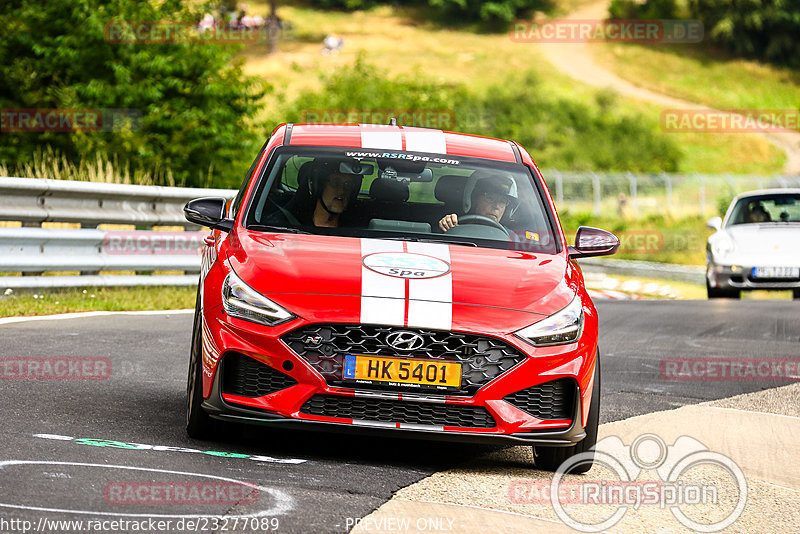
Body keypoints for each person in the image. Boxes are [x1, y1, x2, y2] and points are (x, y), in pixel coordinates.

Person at [438, 172, 519, 232]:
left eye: (502, 202)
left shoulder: (510, 239)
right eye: (490, 198)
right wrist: (448, 226)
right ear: (474, 200)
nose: (496, 206)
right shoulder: (454, 225)